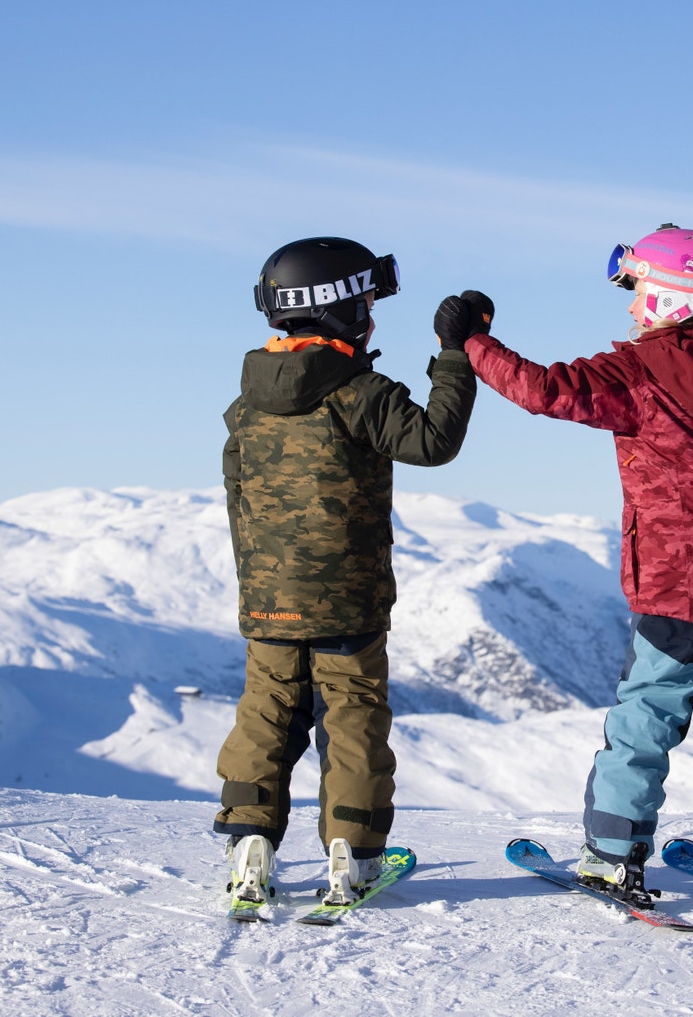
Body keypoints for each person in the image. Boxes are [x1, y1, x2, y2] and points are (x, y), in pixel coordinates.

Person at [462, 224, 693, 900]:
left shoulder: (639, 370)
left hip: (676, 583)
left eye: (640, 290)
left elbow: (541, 389)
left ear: (674, 298)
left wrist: (472, 342)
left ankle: (614, 852)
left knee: (645, 716)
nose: (631, 307)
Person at [214, 236, 482, 910]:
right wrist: (455, 353)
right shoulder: (360, 393)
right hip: (349, 607)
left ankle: (251, 849)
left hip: (270, 603)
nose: (370, 315)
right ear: (338, 312)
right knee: (353, 720)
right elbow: (434, 440)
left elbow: (236, 498)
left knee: (265, 720)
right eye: (365, 302)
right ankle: (353, 858)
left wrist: (259, 585)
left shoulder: (246, 407)